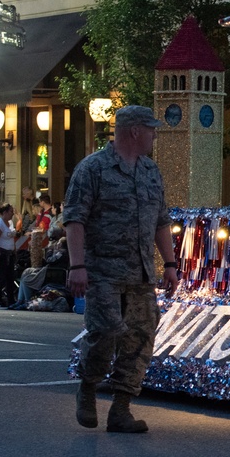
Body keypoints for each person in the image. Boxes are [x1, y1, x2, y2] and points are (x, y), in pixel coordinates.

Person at [65, 105, 180, 434]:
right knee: (105, 334)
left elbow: (161, 221)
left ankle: (121, 409)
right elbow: (74, 219)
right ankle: (88, 388)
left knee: (140, 339)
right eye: (151, 129)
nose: (155, 135)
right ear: (134, 131)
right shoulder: (93, 169)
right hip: (102, 272)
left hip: (141, 274)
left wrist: (170, 264)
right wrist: (77, 265)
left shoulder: (150, 171)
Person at [0, 203, 17, 309]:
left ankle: (11, 300)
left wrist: (14, 251)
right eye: (11, 211)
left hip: (10, 254)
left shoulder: (10, 223)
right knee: (0, 278)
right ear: (5, 212)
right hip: (1, 254)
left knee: (10, 278)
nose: (12, 214)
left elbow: (11, 238)